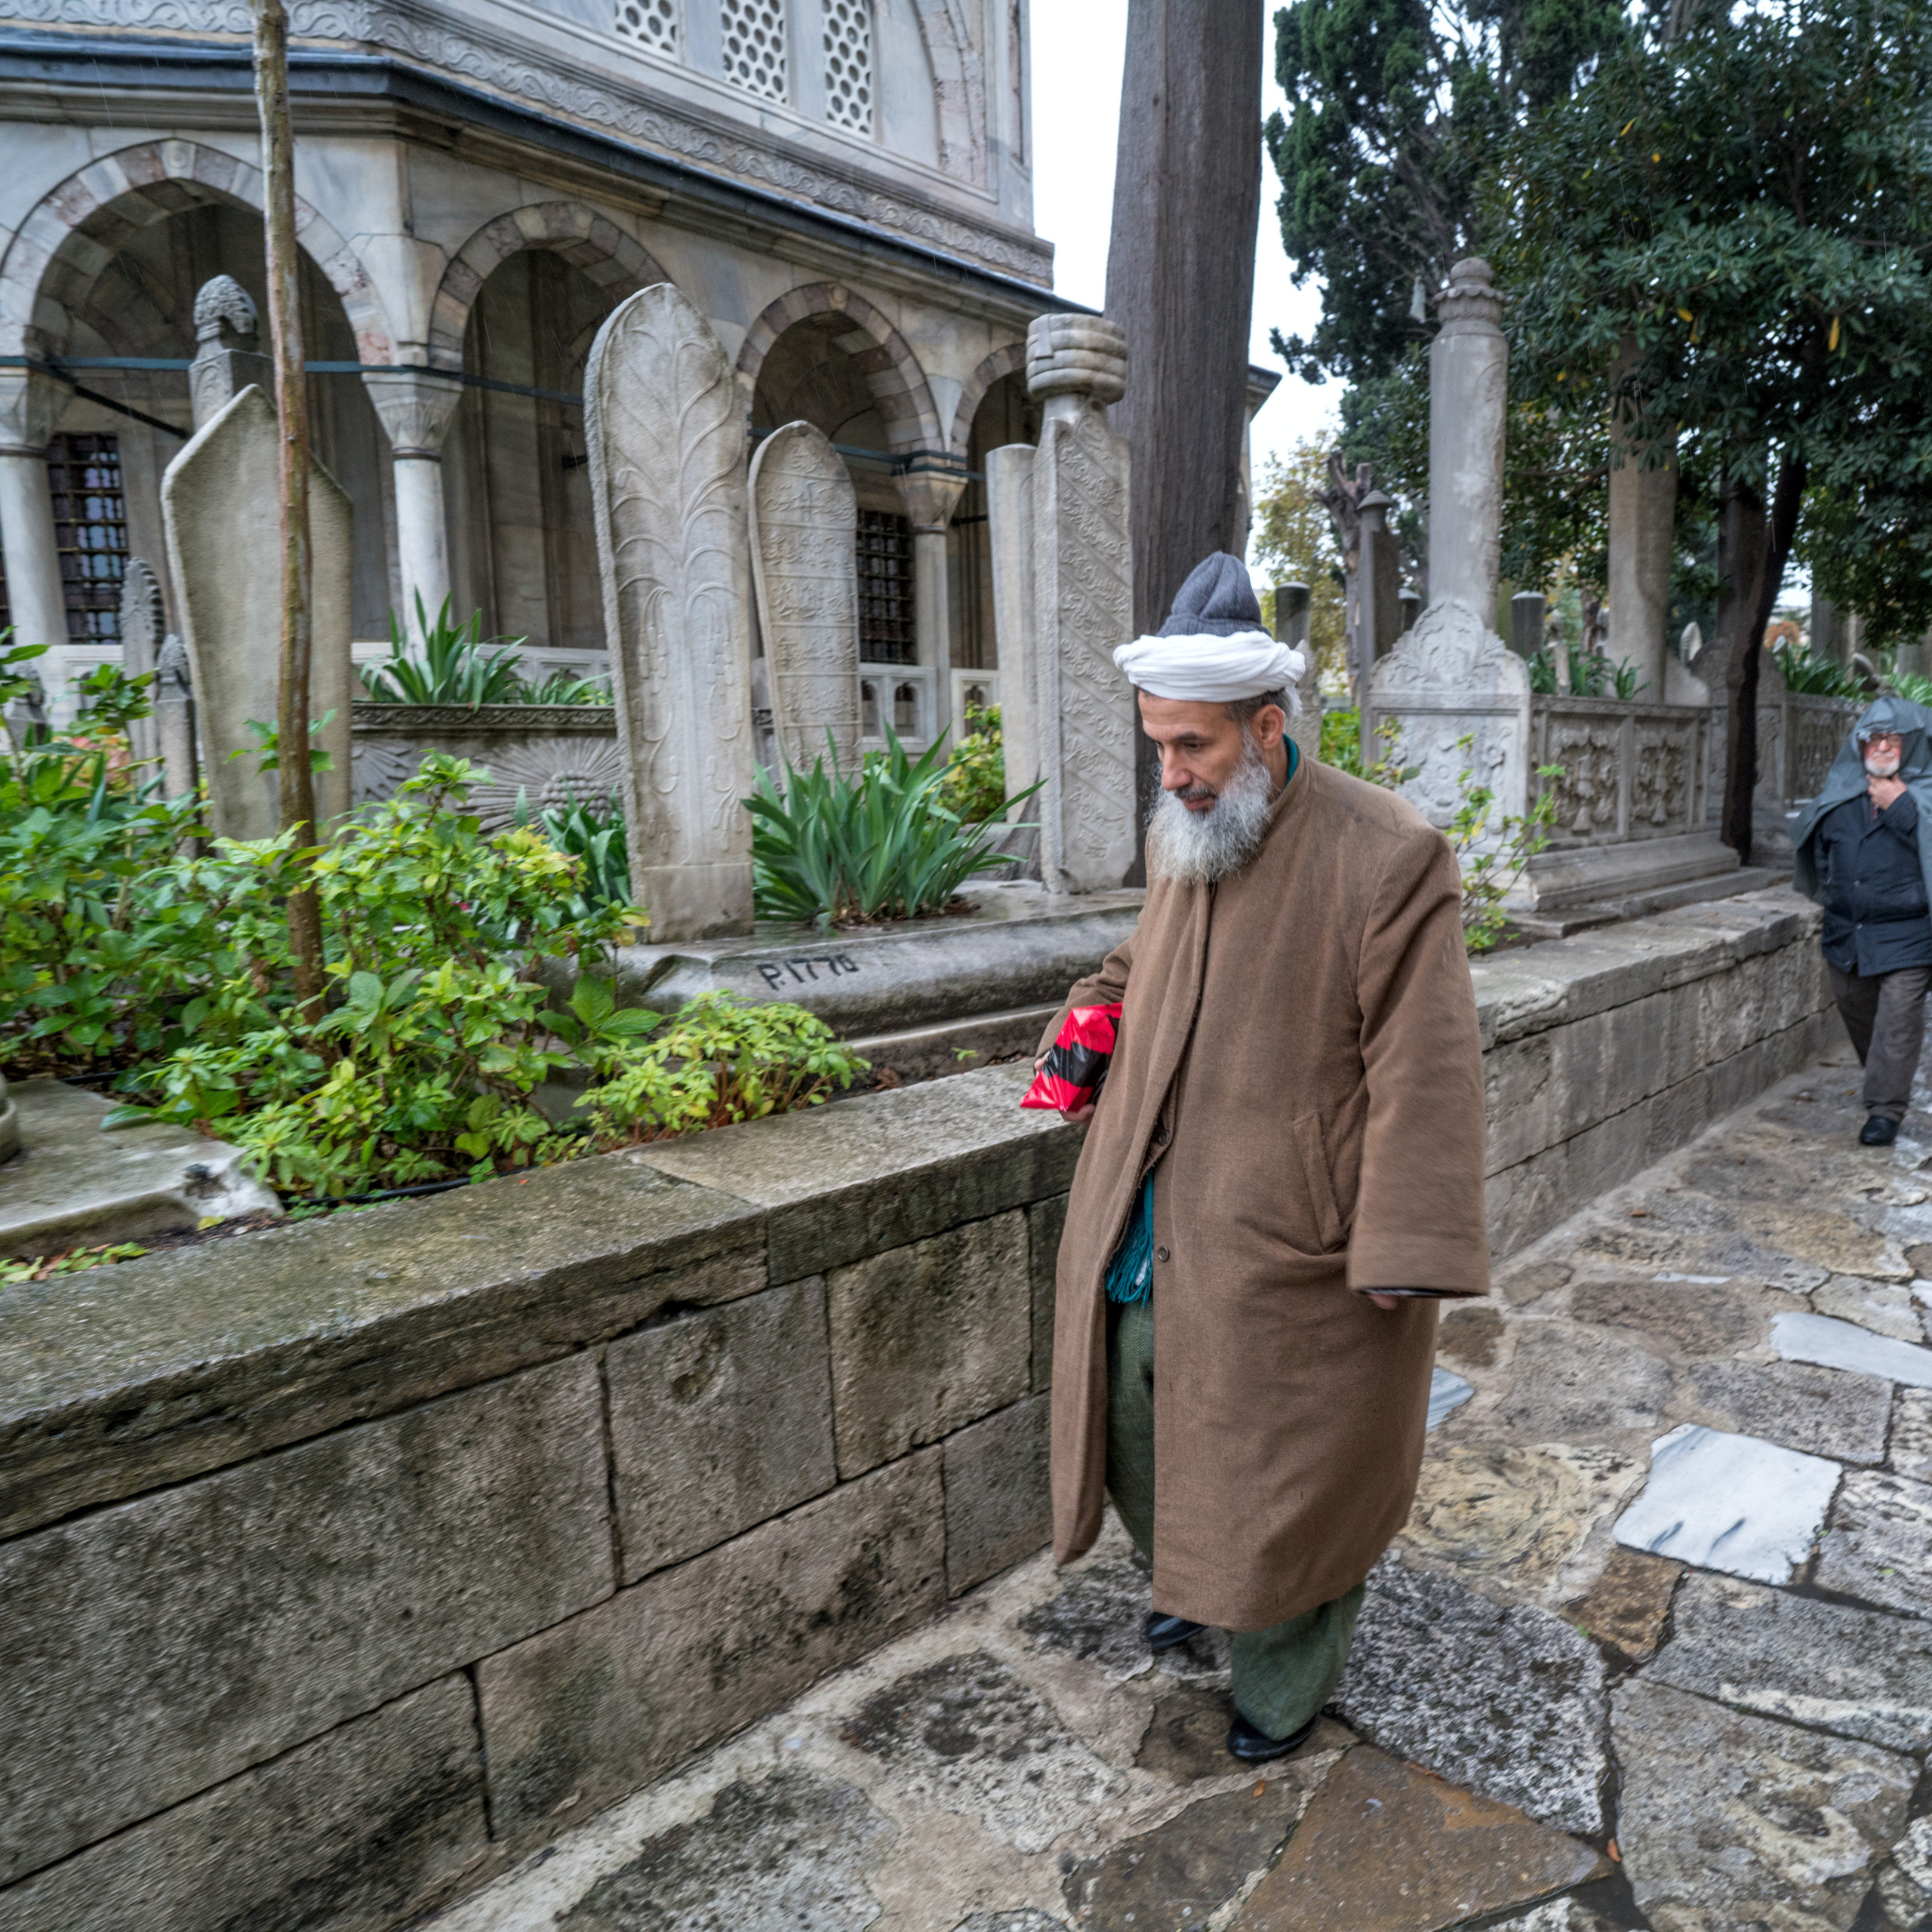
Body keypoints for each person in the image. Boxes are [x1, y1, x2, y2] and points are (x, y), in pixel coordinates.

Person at [1035, 552, 1490, 1764]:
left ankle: (1281, 1692)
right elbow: (1143, 963)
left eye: (1190, 745)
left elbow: (1428, 1067)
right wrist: (1088, 1020)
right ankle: (1197, 1572)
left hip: (1297, 1236)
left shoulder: (1389, 852)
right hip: (1153, 1206)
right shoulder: (1191, 827)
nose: (1171, 773)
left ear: (1266, 726)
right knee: (1135, 1408)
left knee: (1294, 1472)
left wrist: (1404, 1244)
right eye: (1158, 746)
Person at [1792, 694, 1932, 1146]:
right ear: (1860, 744)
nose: (1883, 746)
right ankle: (1884, 1079)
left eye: (1894, 738)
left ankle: (1885, 1110)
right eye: (1874, 738)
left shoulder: (1925, 795)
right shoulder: (1841, 795)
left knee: (1898, 1019)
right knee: (1856, 1006)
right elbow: (1818, 850)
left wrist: (1903, 807)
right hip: (1847, 931)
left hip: (1910, 932)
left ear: (1912, 744)